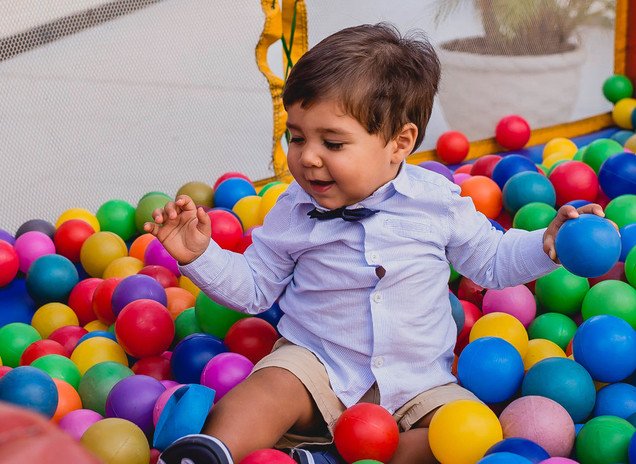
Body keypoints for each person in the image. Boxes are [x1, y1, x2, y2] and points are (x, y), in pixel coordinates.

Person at [145, 23, 603, 464]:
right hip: (318, 370)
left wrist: (546, 242)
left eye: (333, 143)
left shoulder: (436, 203)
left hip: (416, 387)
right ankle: (209, 452)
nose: (307, 157)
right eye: (297, 136)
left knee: (467, 432)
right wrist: (200, 256)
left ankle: (317, 461)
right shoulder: (292, 207)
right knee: (269, 388)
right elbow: (255, 290)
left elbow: (491, 261)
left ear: (399, 143)